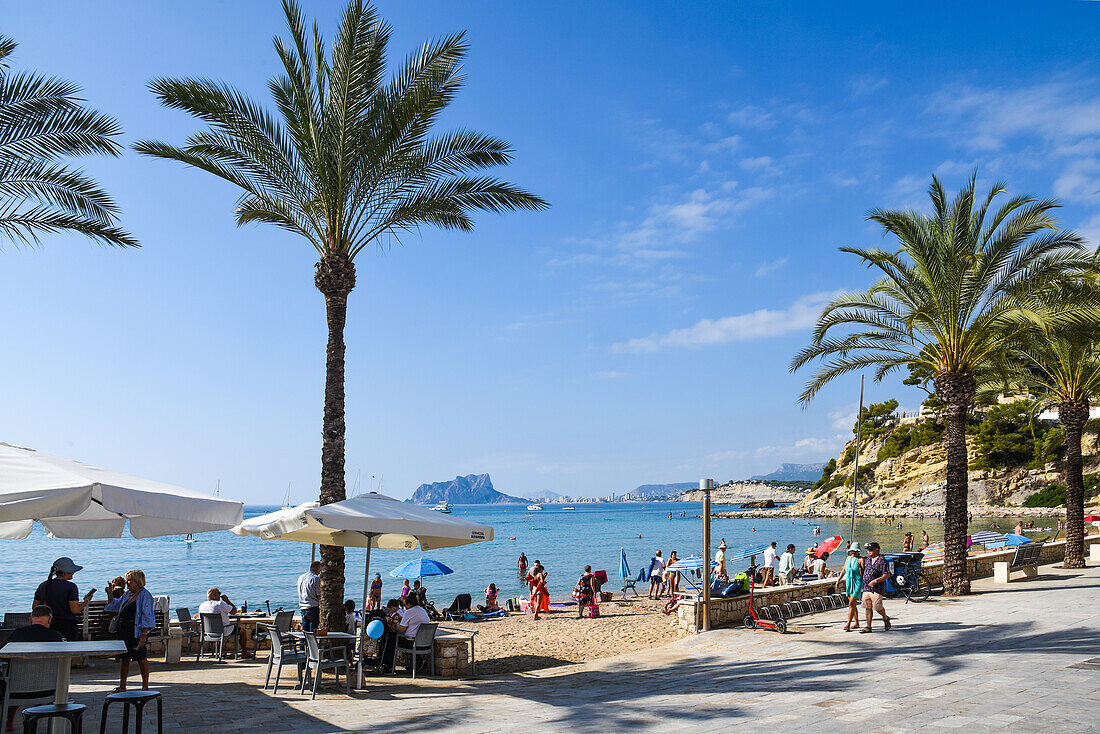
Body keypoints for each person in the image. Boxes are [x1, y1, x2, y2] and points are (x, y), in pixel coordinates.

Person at [0, 606, 65, 730]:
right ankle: (34, 720)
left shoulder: (17, 634)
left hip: (15, 690)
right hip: (46, 689)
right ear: (50, 619)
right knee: (45, 681)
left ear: (30, 620)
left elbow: (3, 656)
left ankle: (9, 722)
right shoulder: (56, 636)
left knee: (12, 682)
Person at [104, 569, 155, 691]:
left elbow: (147, 616)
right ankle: (123, 686)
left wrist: (143, 635)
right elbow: (115, 605)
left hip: (136, 631)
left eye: (130, 580)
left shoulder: (145, 595)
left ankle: (145, 686)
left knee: (141, 658)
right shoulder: (128, 594)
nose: (127, 582)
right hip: (124, 629)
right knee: (124, 658)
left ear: (137, 582)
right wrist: (110, 593)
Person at [33, 556, 94, 641]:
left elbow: (35, 608)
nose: (73, 572)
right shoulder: (71, 587)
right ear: (65, 572)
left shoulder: (43, 585)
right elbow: (75, 610)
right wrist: (86, 601)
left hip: (49, 624)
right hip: (67, 625)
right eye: (72, 571)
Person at [198, 587, 251, 658]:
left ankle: (221, 651)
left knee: (219, 628)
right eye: (219, 593)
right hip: (224, 631)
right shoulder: (220, 604)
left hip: (208, 632)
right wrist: (227, 600)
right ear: (214, 595)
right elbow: (234, 611)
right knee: (242, 631)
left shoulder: (202, 605)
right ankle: (244, 653)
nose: (220, 595)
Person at [860, 542, 892, 633]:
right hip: (866, 587)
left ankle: (885, 618)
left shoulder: (882, 560)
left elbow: (886, 575)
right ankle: (868, 626)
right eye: (868, 550)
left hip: (877, 588)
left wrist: (875, 581)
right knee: (868, 607)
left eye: (870, 550)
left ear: (876, 550)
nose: (868, 551)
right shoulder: (867, 560)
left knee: (877, 607)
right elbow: (864, 571)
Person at [836, 543, 864, 631]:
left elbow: (862, 574)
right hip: (849, 581)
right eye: (852, 551)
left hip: (857, 582)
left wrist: (860, 568)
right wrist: (838, 580)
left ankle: (848, 623)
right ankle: (856, 623)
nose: (854, 552)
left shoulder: (861, 559)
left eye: (855, 551)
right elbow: (844, 570)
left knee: (851, 603)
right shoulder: (848, 558)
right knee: (853, 604)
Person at [297, 561, 321, 632]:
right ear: (316, 568)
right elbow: (318, 595)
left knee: (305, 631)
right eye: (320, 570)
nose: (320, 572)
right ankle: (311, 643)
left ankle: (304, 643)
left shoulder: (301, 577)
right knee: (313, 632)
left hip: (302, 606)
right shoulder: (316, 578)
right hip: (312, 607)